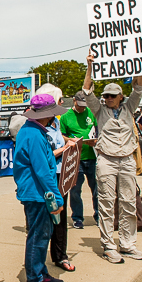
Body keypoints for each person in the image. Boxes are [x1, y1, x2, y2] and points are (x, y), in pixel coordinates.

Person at [83, 52, 142, 264]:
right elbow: (87, 90)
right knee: (105, 203)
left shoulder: (130, 107)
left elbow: (139, 86)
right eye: (106, 95)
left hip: (127, 159)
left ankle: (128, 244)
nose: (108, 98)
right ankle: (109, 245)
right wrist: (90, 66)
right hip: (107, 160)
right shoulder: (98, 110)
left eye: (112, 95)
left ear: (121, 96)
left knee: (129, 201)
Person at [13, 94, 67, 282]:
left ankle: (40, 272)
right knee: (38, 235)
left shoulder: (31, 131)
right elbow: (43, 171)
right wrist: (57, 198)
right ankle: (34, 279)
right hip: (37, 194)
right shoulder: (34, 135)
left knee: (42, 234)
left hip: (36, 192)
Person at [35, 84, 76, 272]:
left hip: (62, 174)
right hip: (47, 177)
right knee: (46, 218)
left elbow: (59, 138)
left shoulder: (56, 122)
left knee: (61, 216)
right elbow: (43, 155)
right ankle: (38, 262)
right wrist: (64, 150)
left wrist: (69, 140)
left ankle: (60, 255)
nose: (61, 103)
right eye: (59, 100)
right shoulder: (37, 128)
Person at [59, 91, 99, 229]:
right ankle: (77, 217)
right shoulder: (65, 117)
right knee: (75, 190)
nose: (82, 108)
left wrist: (95, 140)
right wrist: (71, 140)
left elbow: (97, 129)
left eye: (84, 105)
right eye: (80, 105)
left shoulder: (91, 113)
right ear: (74, 100)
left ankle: (99, 215)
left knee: (97, 189)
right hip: (76, 158)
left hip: (92, 156)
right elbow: (61, 135)